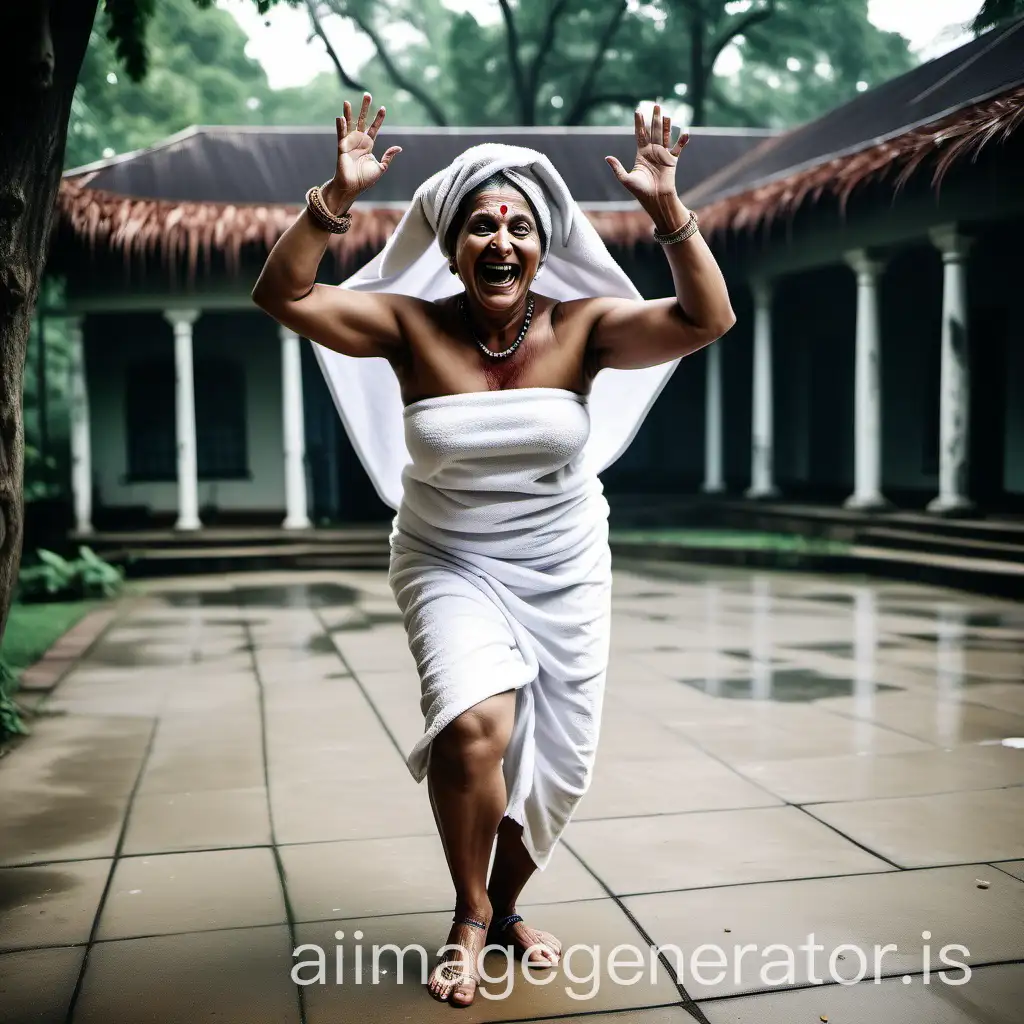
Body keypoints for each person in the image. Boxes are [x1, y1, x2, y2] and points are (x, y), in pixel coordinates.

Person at [253, 92, 735, 1008]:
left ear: (543, 244)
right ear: (451, 246)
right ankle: (471, 916)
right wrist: (335, 198)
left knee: (558, 768)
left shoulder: (584, 327)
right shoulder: (408, 328)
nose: (501, 240)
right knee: (477, 730)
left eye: (518, 224)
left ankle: (506, 907)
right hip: (446, 559)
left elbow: (706, 318)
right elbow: (281, 294)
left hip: (562, 564)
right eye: (480, 224)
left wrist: (669, 210)